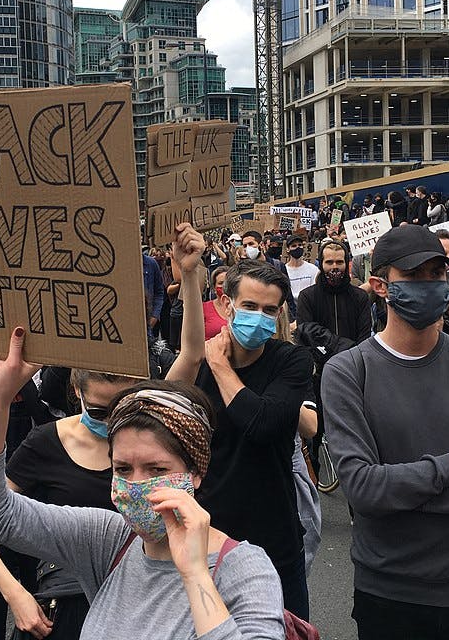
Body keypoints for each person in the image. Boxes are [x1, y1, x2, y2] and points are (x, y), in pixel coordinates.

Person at [0, 327, 287, 640]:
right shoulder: (109, 541)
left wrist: (195, 573)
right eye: (123, 468)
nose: (137, 484)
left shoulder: (245, 570)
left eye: (157, 469)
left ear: (196, 473)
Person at [321, 224, 449, 640]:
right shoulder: (348, 372)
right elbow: (362, 489)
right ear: (379, 285)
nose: (430, 286)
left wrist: (401, 491)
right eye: (414, 276)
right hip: (388, 592)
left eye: (437, 275)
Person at [171, 223, 314, 619]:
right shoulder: (202, 363)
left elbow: (263, 424)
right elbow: (164, 406)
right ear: (226, 304)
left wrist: (220, 366)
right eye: (249, 307)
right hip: (210, 538)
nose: (260, 317)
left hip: (274, 540)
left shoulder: (291, 361)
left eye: (270, 310)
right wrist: (188, 274)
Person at [0, 368, 137, 640]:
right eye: (100, 412)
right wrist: (16, 593)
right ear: (77, 390)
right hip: (68, 602)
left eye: (125, 409)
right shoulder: (46, 442)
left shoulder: (151, 441)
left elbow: (191, 359)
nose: (113, 422)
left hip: (136, 596)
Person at [284, 234, 319, 299]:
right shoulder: (284, 270)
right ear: (288, 249)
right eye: (294, 246)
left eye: (300, 245)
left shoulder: (313, 269)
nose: (297, 247)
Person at [203, 266, 231, 341]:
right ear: (214, 288)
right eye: (221, 283)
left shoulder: (240, 308)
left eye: (227, 283)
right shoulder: (204, 308)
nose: (225, 286)